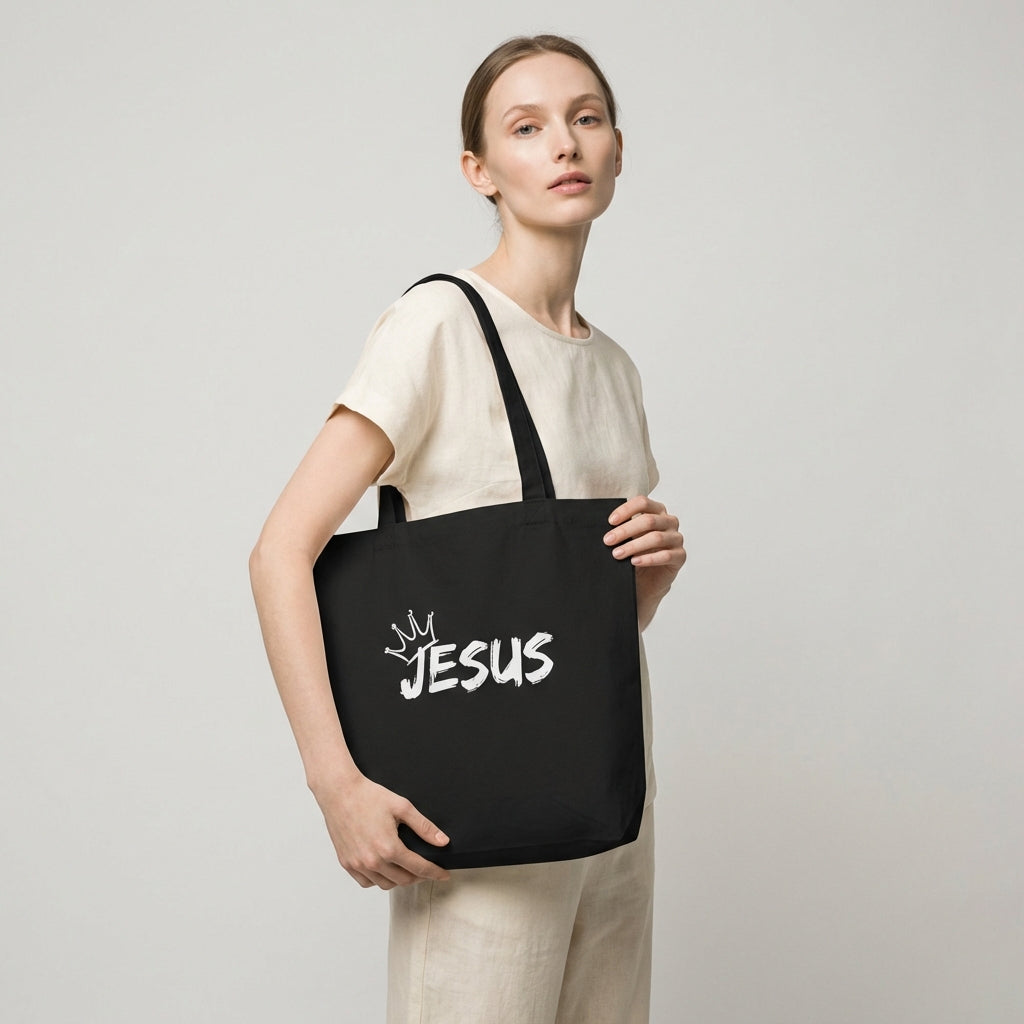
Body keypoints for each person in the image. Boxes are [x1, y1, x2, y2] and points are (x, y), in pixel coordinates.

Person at [249, 33, 686, 1024]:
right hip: (484, 810)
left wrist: (646, 580)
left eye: (584, 118)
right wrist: (338, 785)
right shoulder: (437, 324)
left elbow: (562, 628)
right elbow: (280, 550)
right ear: (478, 171)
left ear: (619, 146)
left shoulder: (613, 369)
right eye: (525, 127)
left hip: (611, 808)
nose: (563, 145)